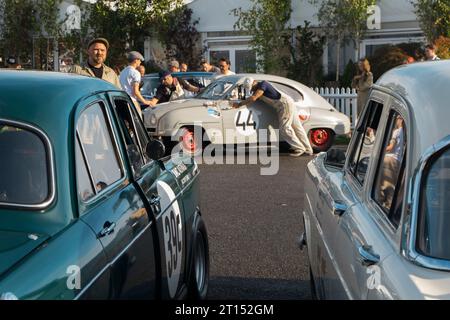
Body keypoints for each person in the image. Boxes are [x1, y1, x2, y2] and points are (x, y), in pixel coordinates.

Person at [232, 77, 313, 157]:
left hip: (284, 105)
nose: (252, 90)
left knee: (285, 128)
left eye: (252, 87)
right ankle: (308, 149)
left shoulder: (263, 84)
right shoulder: (257, 89)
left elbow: (253, 98)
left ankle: (299, 148)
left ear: (255, 82)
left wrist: (239, 104)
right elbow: (252, 98)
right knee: (297, 127)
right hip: (286, 104)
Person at [379, 115, 405, 209]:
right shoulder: (404, 133)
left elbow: (391, 147)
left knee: (385, 186)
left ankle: (385, 208)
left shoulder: (396, 132)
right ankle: (389, 207)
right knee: (392, 186)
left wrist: (380, 149)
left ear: (400, 119)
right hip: (397, 161)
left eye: (397, 118)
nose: (396, 121)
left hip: (389, 160)